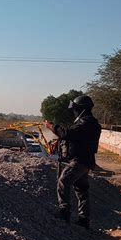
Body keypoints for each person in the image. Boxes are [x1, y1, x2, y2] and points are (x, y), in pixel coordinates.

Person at [44, 95, 101, 229]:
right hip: (86, 161)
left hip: (80, 161)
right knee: (82, 190)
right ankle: (83, 219)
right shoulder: (92, 123)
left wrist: (51, 126)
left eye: (75, 109)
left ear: (81, 109)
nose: (73, 111)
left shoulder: (86, 124)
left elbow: (67, 133)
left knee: (63, 181)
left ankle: (64, 213)